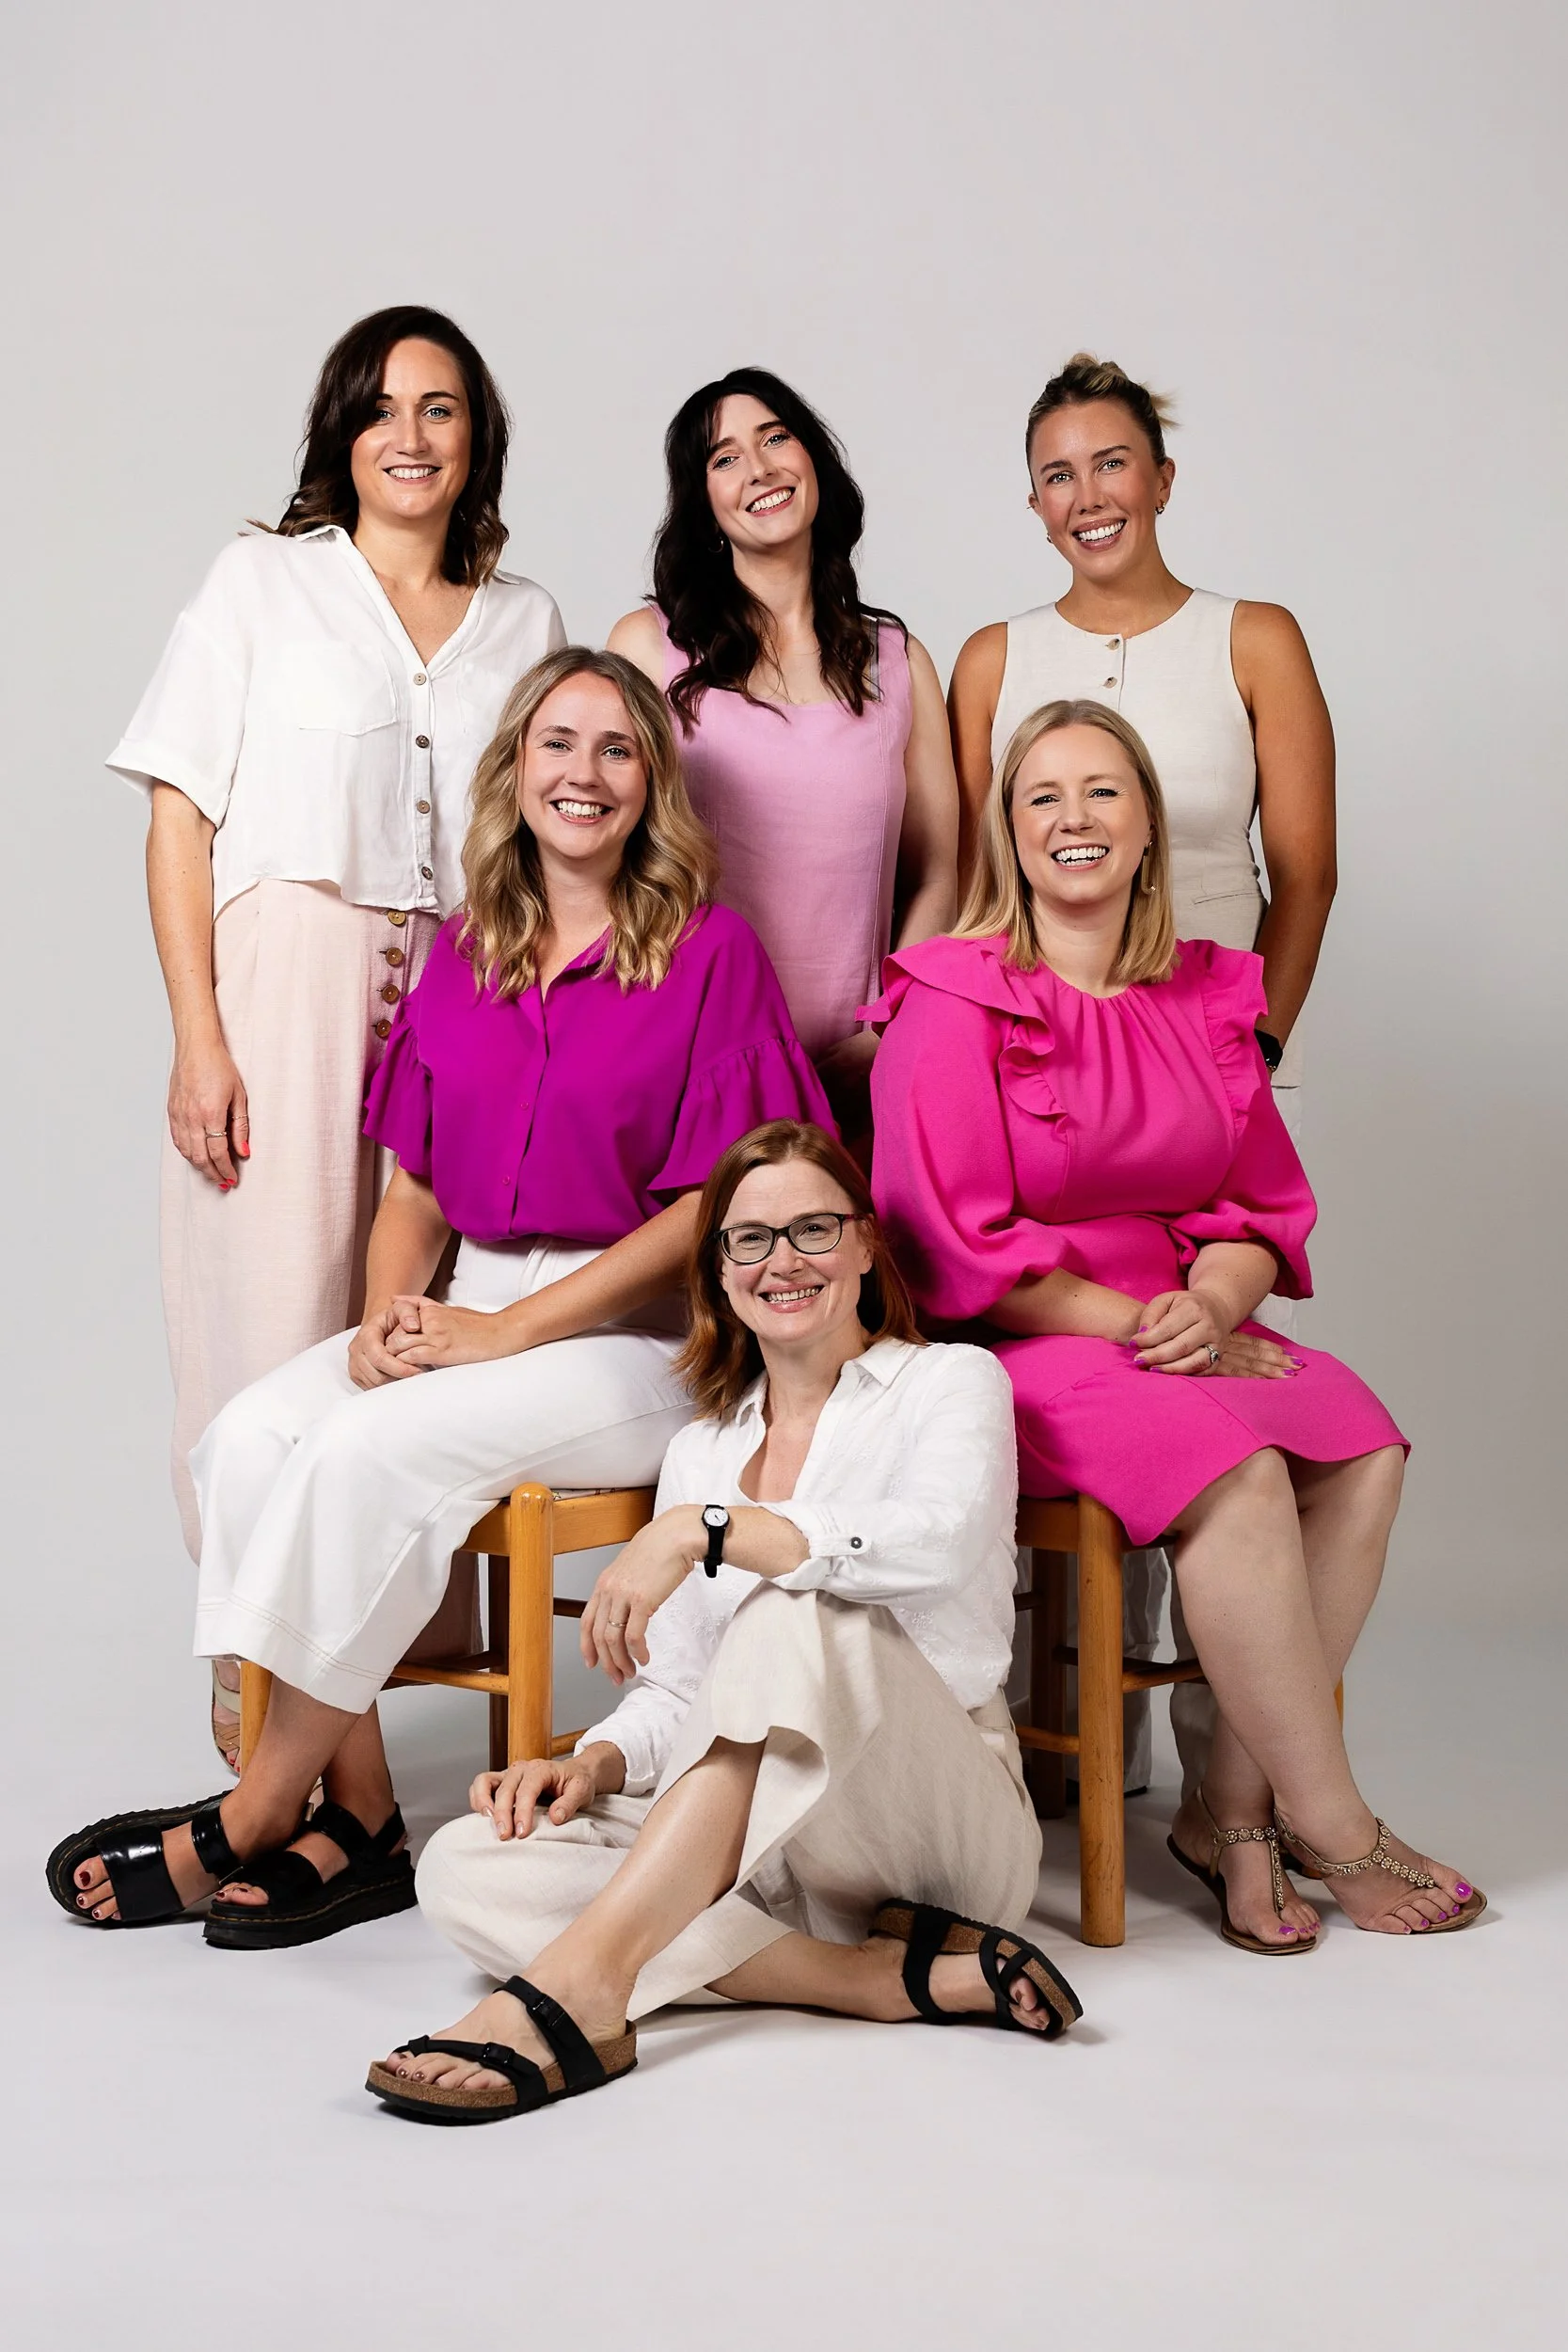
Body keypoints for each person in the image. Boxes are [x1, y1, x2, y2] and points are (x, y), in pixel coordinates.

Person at [50, 651, 830, 1946]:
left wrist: (508, 1330)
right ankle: (358, 1812)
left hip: (633, 1340)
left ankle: (257, 1808)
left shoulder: (709, 953)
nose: (582, 774)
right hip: (470, 1303)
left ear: (651, 785)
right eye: (556, 744)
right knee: (248, 1437)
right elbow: (411, 1180)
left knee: (362, 1456)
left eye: (615, 749)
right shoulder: (471, 951)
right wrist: (381, 1316)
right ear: (513, 768)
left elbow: (714, 1206)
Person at [866, 700, 1483, 1950]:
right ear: (1008, 830)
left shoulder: (1204, 994)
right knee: (1240, 1472)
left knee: (1359, 1445)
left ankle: (1227, 1810)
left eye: (1102, 792)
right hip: (1022, 1343)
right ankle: (1334, 1825)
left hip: (1179, 1322)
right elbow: (946, 1241)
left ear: (1148, 823)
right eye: (1041, 796)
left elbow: (1259, 1201)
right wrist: (1145, 1320)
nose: (1073, 819)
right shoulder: (950, 999)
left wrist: (1207, 1303)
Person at [367, 1120, 1080, 2124]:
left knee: (798, 1606)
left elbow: (932, 1543)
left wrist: (702, 1533)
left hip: (930, 1826)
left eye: (812, 1230)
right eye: (749, 1239)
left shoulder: (949, 1383)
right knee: (464, 1865)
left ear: (866, 1242)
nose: (781, 1261)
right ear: (718, 1268)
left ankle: (584, 1988)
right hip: (763, 1853)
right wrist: (598, 1765)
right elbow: (679, 1687)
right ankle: (867, 1979)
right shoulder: (705, 1446)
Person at [106, 305, 566, 1768]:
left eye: (441, 409)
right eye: (382, 409)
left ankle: (362, 1727)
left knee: (411, 1334)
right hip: (289, 971)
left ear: (476, 436)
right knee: (266, 1335)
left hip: (470, 994)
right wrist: (200, 1037)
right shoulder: (262, 583)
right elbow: (177, 814)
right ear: (342, 435)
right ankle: (264, 1727)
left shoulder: (526, 621)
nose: (411, 436)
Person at [947, 352, 1338, 1783]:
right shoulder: (992, 658)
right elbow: (963, 883)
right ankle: (1078, 1741)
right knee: (1100, 1362)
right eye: (1056, 473)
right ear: (1033, 503)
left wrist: (1256, 1049)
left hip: (1207, 1057)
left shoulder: (1251, 638)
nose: (1085, 494)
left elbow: (1302, 873)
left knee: (1209, 1365)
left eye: (1109, 463)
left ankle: (1215, 1754)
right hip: (1040, 1080)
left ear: (1158, 479)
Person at [610, 367, 958, 1138]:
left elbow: (938, 872)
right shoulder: (649, 650)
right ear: (701, 503)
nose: (760, 468)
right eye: (724, 458)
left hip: (859, 1068)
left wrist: (885, 1031)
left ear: (814, 464)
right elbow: (605, 859)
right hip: (687, 1059)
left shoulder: (899, 660)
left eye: (776, 438)